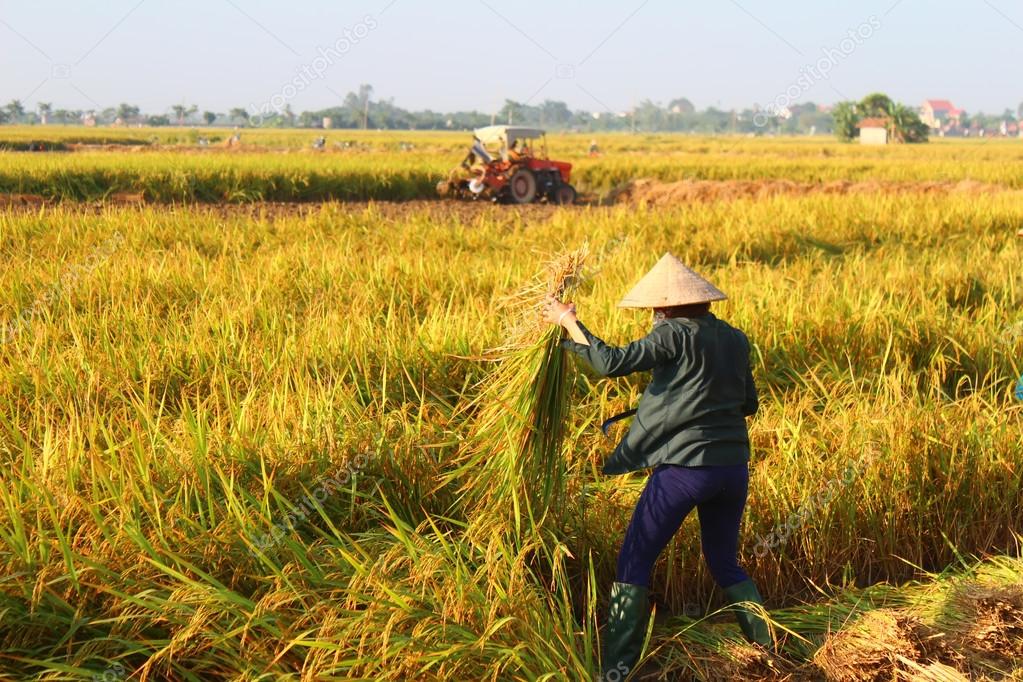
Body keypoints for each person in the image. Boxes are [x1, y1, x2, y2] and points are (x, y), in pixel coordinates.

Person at [543, 253, 772, 678]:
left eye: (654, 310)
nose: (653, 316)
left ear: (665, 307)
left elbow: (610, 363)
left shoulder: (673, 334)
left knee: (634, 561)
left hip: (685, 471)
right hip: (733, 470)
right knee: (724, 562)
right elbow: (749, 403)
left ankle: (617, 670)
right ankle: (768, 645)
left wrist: (568, 321)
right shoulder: (736, 339)